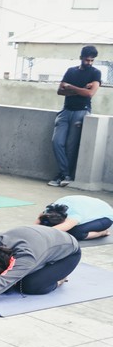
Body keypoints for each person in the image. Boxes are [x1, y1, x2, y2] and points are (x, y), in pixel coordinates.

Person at [50, 46, 102, 187]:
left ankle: (65, 175)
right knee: (57, 142)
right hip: (66, 110)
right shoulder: (71, 71)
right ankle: (65, 173)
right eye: (87, 60)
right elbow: (60, 91)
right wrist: (81, 90)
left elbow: (90, 94)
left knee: (71, 145)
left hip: (82, 111)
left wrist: (71, 87)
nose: (89, 63)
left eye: (92, 60)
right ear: (81, 58)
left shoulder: (96, 73)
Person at [37, 195, 112, 241]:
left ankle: (103, 232)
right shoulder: (50, 209)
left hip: (105, 217)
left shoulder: (74, 216)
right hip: (87, 207)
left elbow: (53, 231)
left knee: (75, 233)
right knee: (45, 225)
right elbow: (38, 223)